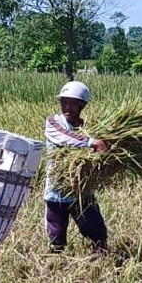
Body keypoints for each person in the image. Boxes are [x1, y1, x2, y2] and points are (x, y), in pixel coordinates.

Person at [44, 80, 110, 254]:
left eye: (73, 103)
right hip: (56, 192)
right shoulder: (53, 122)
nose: (67, 107)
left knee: (96, 230)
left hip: (82, 191)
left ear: (82, 105)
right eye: (64, 102)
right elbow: (63, 137)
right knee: (56, 235)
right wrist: (91, 143)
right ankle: (55, 264)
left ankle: (101, 258)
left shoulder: (89, 127)